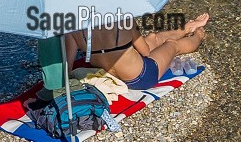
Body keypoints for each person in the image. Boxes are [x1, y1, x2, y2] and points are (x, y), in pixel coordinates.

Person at [63, 13, 209, 91]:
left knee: (153, 37)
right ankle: (198, 35)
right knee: (172, 45)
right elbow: (145, 51)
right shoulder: (123, 19)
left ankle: (188, 27)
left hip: (107, 71)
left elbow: (67, 68)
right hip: (141, 77)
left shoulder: (72, 27)